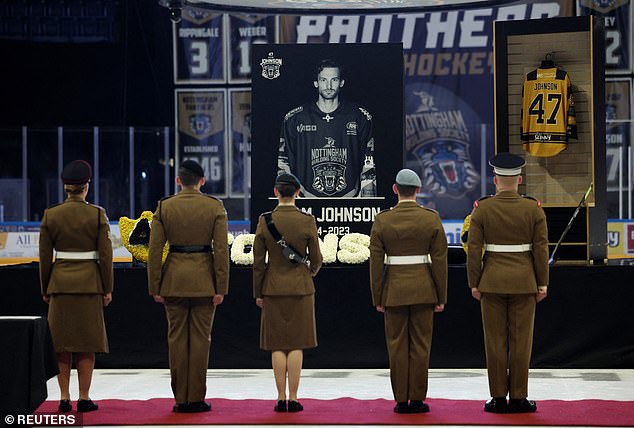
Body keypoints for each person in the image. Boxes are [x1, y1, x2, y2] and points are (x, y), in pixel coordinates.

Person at [466, 152, 549, 414]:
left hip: (491, 282)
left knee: (495, 342)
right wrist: (542, 282)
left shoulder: (483, 208)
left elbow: (474, 249)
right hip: (525, 282)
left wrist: (474, 282)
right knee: (522, 342)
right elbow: (540, 249)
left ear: (495, 180)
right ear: (520, 180)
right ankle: (519, 398)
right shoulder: (532, 208)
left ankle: (498, 398)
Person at [147, 160, 229, 413]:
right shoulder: (214, 206)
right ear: (202, 181)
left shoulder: (165, 206)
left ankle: (180, 399)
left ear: (178, 180)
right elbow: (221, 250)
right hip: (205, 281)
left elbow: (155, 250)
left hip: (173, 281)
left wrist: (155, 286)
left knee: (176, 339)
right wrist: (221, 287)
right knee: (201, 340)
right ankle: (196, 398)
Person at [369, 168, 448, 414]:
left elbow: (375, 265)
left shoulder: (383, 220)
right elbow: (440, 262)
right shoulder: (431, 218)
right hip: (424, 290)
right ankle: (417, 398)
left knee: (396, 345)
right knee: (421, 345)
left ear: (395, 189)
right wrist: (440, 295)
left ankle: (401, 400)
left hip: (393, 291)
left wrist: (378, 296)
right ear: (418, 190)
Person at [39, 159, 113, 413]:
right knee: (86, 343)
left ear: (65, 187)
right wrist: (107, 287)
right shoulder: (96, 214)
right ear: (86, 187)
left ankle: (63, 397)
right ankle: (84, 398)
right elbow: (105, 256)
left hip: (60, 285)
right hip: (89, 285)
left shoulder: (51, 215)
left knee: (61, 344)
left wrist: (46, 287)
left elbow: (45, 256)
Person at [253, 173, 323, 412]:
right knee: (296, 344)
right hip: (301, 288)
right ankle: (293, 398)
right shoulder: (306, 220)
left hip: (272, 289)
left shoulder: (265, 220)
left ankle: (280, 397)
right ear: (297, 193)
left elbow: (258, 262)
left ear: (276, 192)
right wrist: (309, 272)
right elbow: (316, 258)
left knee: (277, 345)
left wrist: (258, 292)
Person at [278, 58, 376, 197]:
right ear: (316, 83)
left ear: (341, 82)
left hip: (349, 201)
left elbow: (369, 162)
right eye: (323, 80)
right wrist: (289, 200)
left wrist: (366, 199)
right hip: (305, 201)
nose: (329, 85)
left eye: (334, 80)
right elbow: (283, 163)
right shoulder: (295, 118)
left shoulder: (359, 117)